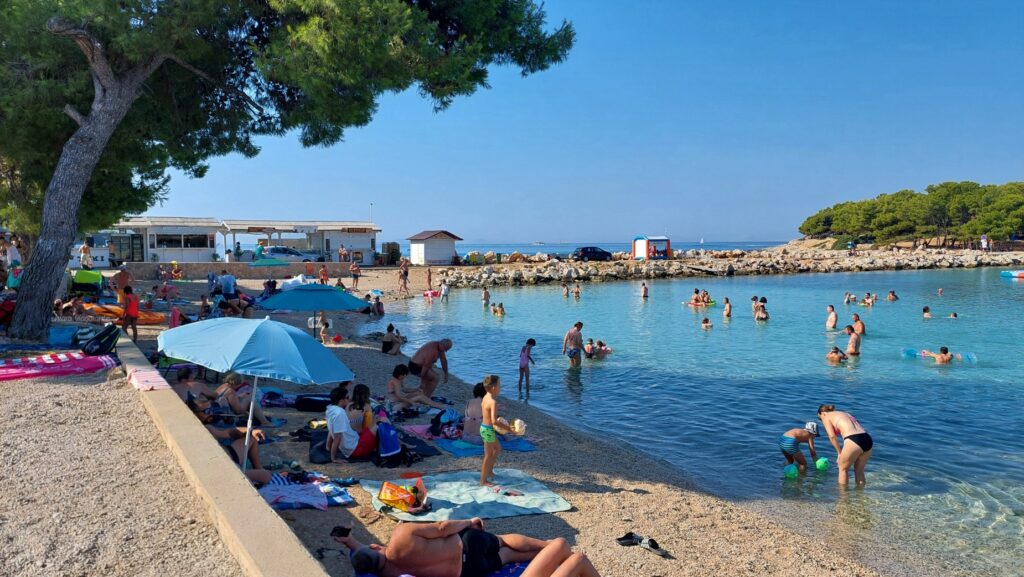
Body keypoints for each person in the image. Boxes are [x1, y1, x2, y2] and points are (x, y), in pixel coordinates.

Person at [334, 518, 601, 577]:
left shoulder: (391, 573)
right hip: (465, 544)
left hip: (468, 570)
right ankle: (550, 548)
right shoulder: (401, 535)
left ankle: (553, 555)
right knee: (503, 541)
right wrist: (469, 522)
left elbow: (369, 558)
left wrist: (350, 543)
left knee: (507, 555)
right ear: (375, 545)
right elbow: (441, 528)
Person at [818, 404, 873, 486]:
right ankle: (861, 496)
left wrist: (839, 453)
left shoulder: (826, 417)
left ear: (822, 413)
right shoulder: (845, 413)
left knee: (842, 469)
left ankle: (843, 497)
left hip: (853, 439)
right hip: (867, 438)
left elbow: (832, 436)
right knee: (859, 471)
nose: (821, 421)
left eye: (820, 418)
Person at [326, 384, 376, 461]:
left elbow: (331, 431)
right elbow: (337, 438)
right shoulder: (340, 413)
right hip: (355, 449)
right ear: (341, 401)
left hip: (352, 444)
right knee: (377, 426)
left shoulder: (330, 410)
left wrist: (328, 447)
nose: (349, 399)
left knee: (372, 427)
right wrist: (333, 458)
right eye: (347, 397)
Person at [480, 374, 513, 487]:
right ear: (493, 387)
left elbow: (489, 416)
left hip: (485, 428)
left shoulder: (485, 397)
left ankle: (489, 471)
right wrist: (509, 428)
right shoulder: (493, 402)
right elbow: (494, 421)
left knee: (497, 449)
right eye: (499, 385)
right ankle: (483, 481)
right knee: (488, 455)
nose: (500, 387)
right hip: (488, 430)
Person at [345, 384, 379, 455]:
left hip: (348, 438)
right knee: (379, 423)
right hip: (358, 439)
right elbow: (369, 427)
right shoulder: (366, 406)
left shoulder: (348, 405)